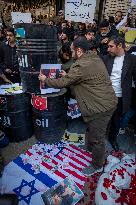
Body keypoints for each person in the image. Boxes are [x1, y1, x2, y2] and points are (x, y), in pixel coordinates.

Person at [39, 37, 117, 174]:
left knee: (97, 138)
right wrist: (68, 75)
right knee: (91, 129)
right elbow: (82, 77)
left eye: (72, 50)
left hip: (100, 107)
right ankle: (88, 148)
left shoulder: (81, 65)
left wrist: (46, 80)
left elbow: (62, 83)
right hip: (105, 103)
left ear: (79, 50)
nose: (71, 53)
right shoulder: (93, 57)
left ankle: (97, 165)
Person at [102, 36, 136, 151]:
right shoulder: (106, 59)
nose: (108, 49)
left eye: (111, 46)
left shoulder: (131, 59)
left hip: (121, 97)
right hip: (106, 96)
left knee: (116, 121)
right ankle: (100, 140)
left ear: (120, 46)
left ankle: (112, 139)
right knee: (103, 119)